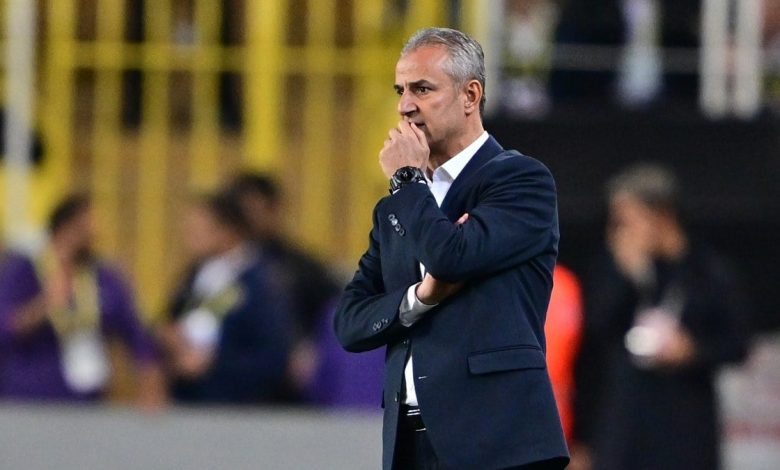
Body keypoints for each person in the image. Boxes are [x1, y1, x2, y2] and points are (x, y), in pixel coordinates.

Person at [334, 27, 569, 469]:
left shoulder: (520, 180)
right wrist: (419, 298)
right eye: (401, 90)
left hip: (497, 443)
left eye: (422, 89)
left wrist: (406, 179)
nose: (405, 105)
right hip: (410, 445)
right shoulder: (397, 207)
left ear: (470, 95)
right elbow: (350, 322)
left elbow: (449, 257)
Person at [571, 164, 749, 470]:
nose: (619, 234)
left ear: (662, 216)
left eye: (627, 222)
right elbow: (596, 337)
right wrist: (630, 277)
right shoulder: (612, 270)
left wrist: (692, 351)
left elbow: (737, 344)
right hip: (623, 433)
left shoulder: (707, 272)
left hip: (684, 430)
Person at [0, 194, 164, 407]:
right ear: (63, 229)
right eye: (83, 230)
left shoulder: (103, 276)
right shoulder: (23, 271)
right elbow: (5, 328)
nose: (92, 237)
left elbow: (136, 333)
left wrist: (150, 379)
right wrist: (44, 305)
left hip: (86, 401)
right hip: (28, 399)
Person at [160, 191, 290, 404]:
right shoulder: (195, 273)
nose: (188, 236)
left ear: (227, 232)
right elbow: (172, 318)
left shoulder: (262, 284)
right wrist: (170, 336)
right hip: (188, 399)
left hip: (237, 406)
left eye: (198, 230)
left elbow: (272, 357)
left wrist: (215, 364)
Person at [226, 172, 340, 402]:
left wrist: (316, 347)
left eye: (254, 211)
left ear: (273, 210)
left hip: (289, 387)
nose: (248, 221)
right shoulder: (216, 270)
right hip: (229, 384)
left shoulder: (301, 268)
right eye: (240, 213)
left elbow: (339, 314)